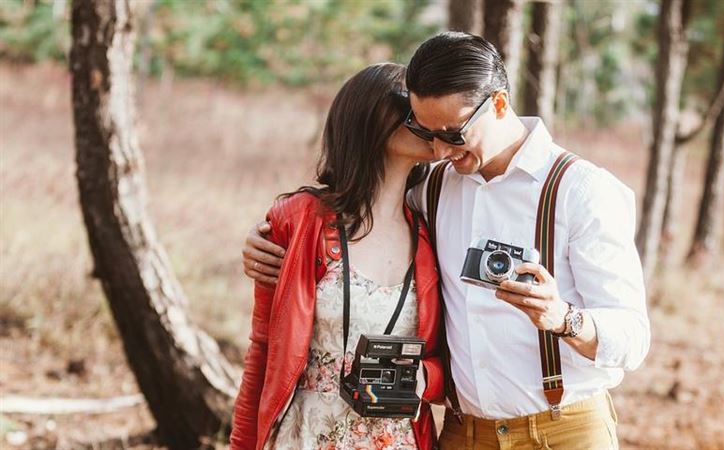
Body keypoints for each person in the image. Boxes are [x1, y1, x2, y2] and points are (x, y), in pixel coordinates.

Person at [243, 33, 650, 449]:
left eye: (453, 134)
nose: (439, 148)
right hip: (463, 433)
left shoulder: (581, 190)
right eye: (425, 131)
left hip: (563, 430)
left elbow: (633, 339)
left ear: (498, 104)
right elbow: (355, 207)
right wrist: (265, 240)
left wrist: (563, 317)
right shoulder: (430, 190)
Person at [230, 63, 446, 450]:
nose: (421, 114)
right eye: (405, 100)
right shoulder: (298, 221)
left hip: (394, 439)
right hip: (305, 435)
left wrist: (422, 379)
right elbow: (263, 350)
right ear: (365, 116)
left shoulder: (433, 234)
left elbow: (448, 360)